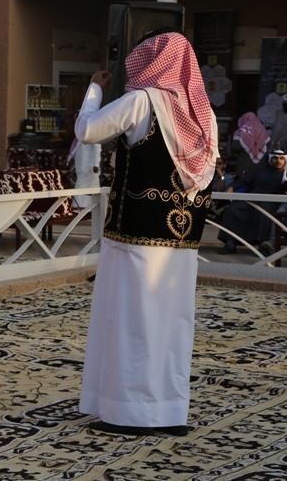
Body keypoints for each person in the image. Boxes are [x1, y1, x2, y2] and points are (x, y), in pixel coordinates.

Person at [74, 31, 218, 437]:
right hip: (182, 242)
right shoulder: (202, 114)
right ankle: (170, 411)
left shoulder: (142, 101)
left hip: (135, 237)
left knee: (130, 321)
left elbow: (87, 130)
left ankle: (128, 413)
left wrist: (94, 90)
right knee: (172, 324)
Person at [219, 150, 287, 253]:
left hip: (271, 202)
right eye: (275, 158)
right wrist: (232, 187)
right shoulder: (260, 171)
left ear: (285, 161)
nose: (278, 161)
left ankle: (264, 246)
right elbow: (244, 180)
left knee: (264, 213)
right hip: (251, 199)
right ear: (270, 159)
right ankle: (230, 242)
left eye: (281, 159)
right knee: (231, 210)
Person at [230, 112, 269, 180]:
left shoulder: (241, 131)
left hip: (244, 164)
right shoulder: (263, 131)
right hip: (261, 165)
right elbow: (269, 146)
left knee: (243, 182)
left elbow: (235, 146)